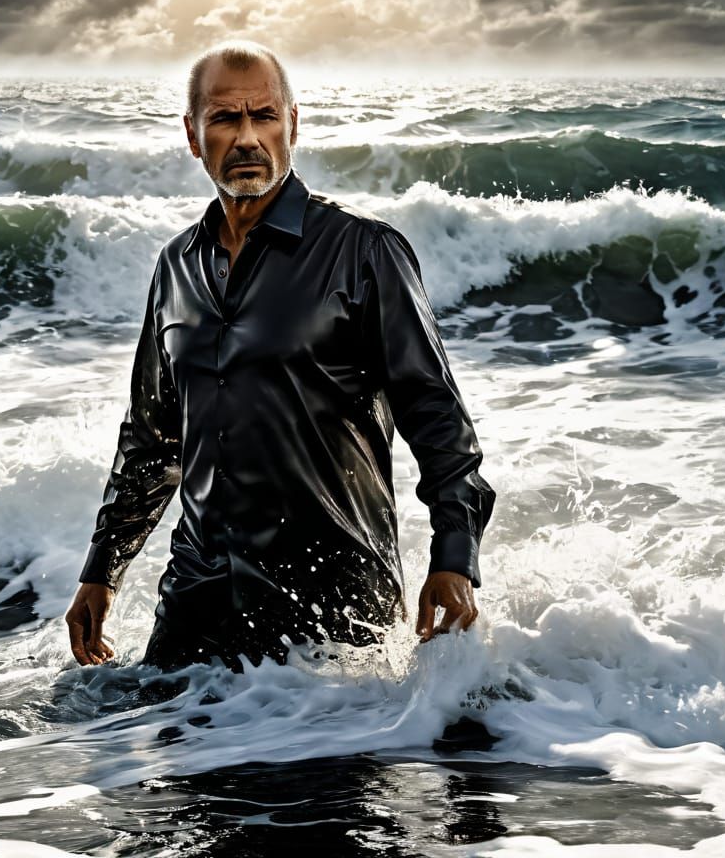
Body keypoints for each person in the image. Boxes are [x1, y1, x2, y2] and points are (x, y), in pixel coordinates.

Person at [65, 41, 495, 673]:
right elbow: (153, 436)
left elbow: (434, 414)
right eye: (224, 119)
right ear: (193, 135)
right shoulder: (176, 266)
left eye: (263, 116)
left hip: (332, 609)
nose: (246, 138)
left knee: (331, 776)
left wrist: (454, 559)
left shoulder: (364, 251)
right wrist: (102, 572)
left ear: (292, 123)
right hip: (198, 604)